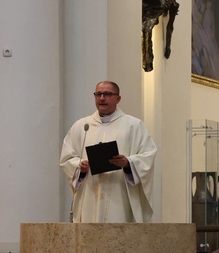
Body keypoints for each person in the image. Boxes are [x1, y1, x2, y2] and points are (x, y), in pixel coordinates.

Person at [60, 81, 157, 223]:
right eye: (98, 94)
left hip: (120, 197)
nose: (102, 98)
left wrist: (128, 163)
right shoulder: (82, 126)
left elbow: (148, 154)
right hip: (89, 195)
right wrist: (80, 166)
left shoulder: (133, 126)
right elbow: (67, 158)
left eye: (107, 94)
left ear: (118, 99)